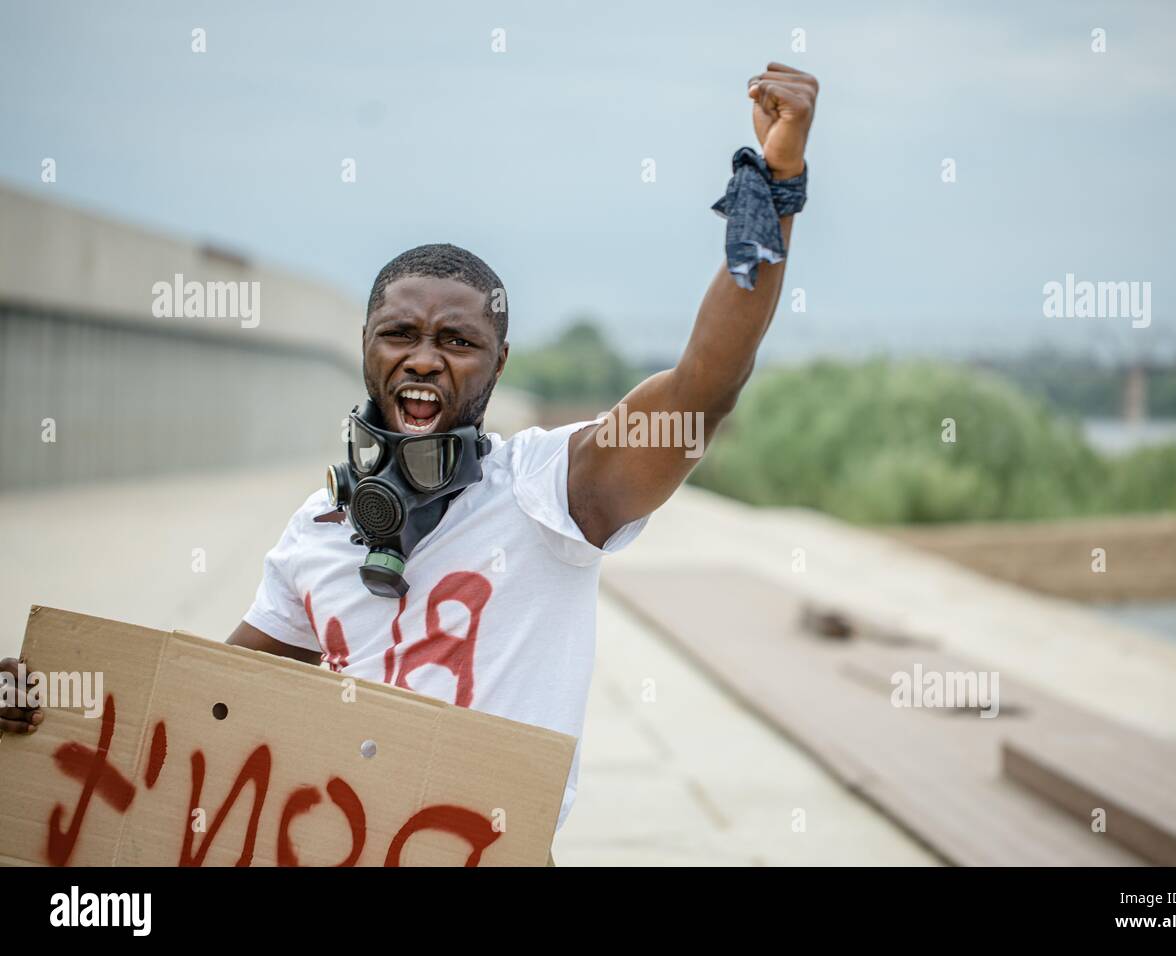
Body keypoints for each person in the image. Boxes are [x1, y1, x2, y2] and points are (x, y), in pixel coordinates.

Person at [0, 62, 819, 864]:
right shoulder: (317, 531)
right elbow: (187, 707)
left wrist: (772, 188)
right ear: (365, 347)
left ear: (499, 365)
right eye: (401, 335)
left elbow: (704, 387)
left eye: (458, 342)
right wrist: (48, 704)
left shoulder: (553, 493)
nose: (425, 359)